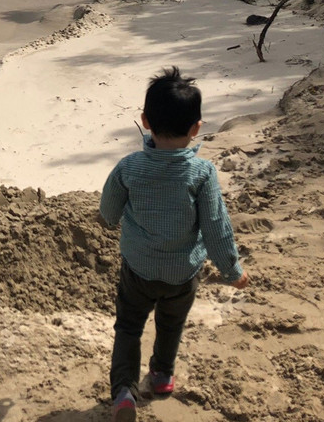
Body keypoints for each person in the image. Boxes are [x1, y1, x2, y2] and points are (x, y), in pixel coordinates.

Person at [99, 67, 249, 422]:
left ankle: (124, 390)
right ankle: (162, 375)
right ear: (196, 128)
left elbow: (108, 211)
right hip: (183, 273)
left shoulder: (128, 168)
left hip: (138, 269)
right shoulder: (202, 173)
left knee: (129, 327)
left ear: (145, 121)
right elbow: (216, 227)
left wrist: (113, 219)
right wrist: (232, 270)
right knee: (171, 324)